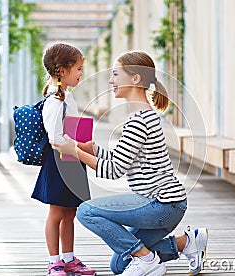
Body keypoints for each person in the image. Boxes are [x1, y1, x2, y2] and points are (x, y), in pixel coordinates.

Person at [50, 51, 208, 276]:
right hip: (169, 205)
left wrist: (73, 150)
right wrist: (93, 150)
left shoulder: (139, 120)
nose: (110, 80)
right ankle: (186, 243)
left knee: (86, 211)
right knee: (119, 264)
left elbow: (113, 171)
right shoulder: (143, 116)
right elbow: (122, 159)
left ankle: (145, 258)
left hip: (161, 205)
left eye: (115, 74)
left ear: (135, 79)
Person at [32, 42, 96, 276]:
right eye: (78, 68)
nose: (81, 73)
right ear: (63, 70)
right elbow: (55, 138)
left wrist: (80, 146)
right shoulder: (55, 101)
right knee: (57, 213)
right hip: (60, 162)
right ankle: (54, 261)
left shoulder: (66, 97)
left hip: (71, 161)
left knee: (70, 211)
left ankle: (69, 259)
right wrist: (83, 146)